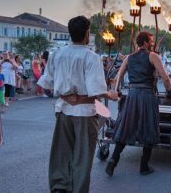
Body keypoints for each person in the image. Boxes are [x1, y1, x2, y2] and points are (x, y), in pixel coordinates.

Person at [38, 15, 118, 193]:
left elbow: (46, 84)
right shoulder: (91, 57)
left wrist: (66, 94)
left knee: (61, 153)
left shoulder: (56, 55)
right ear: (87, 34)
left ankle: (60, 187)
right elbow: (96, 89)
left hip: (63, 110)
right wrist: (110, 94)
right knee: (82, 156)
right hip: (84, 112)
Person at [105, 31, 171, 177]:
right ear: (146, 42)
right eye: (151, 41)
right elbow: (165, 78)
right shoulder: (153, 56)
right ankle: (144, 166)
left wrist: (116, 91)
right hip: (147, 95)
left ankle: (113, 160)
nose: (153, 43)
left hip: (132, 95)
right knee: (149, 128)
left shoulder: (129, 58)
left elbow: (118, 77)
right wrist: (169, 92)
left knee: (125, 128)